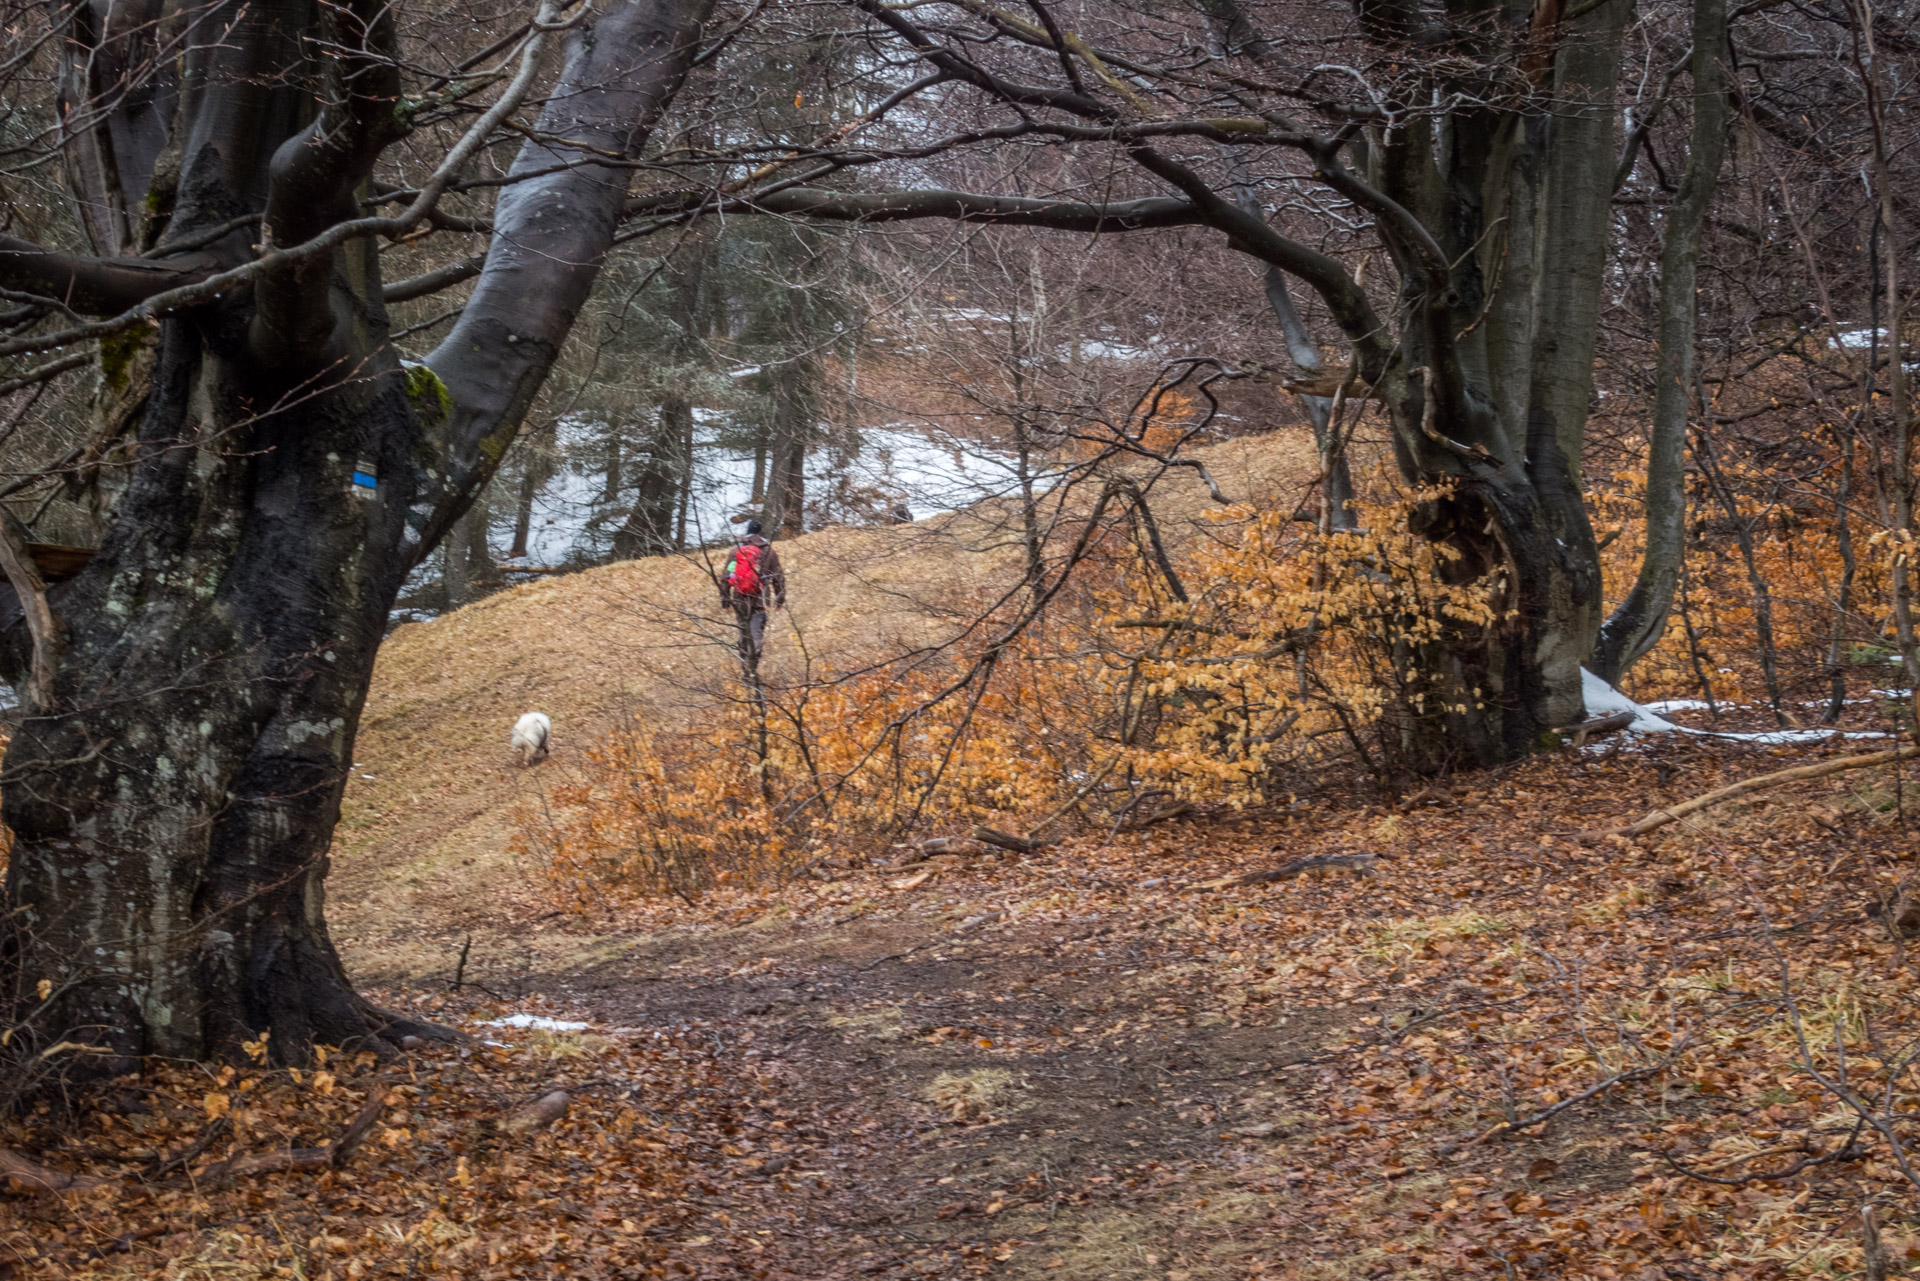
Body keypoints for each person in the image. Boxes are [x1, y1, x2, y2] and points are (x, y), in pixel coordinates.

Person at [719, 519, 786, 669]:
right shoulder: (769, 551)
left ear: (747, 531)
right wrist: (779, 599)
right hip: (760, 600)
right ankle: (752, 671)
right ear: (760, 532)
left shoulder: (736, 550)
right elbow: (778, 576)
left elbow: (726, 576)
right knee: (755, 635)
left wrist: (725, 600)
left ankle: (745, 672)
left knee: (744, 634)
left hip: (740, 598)